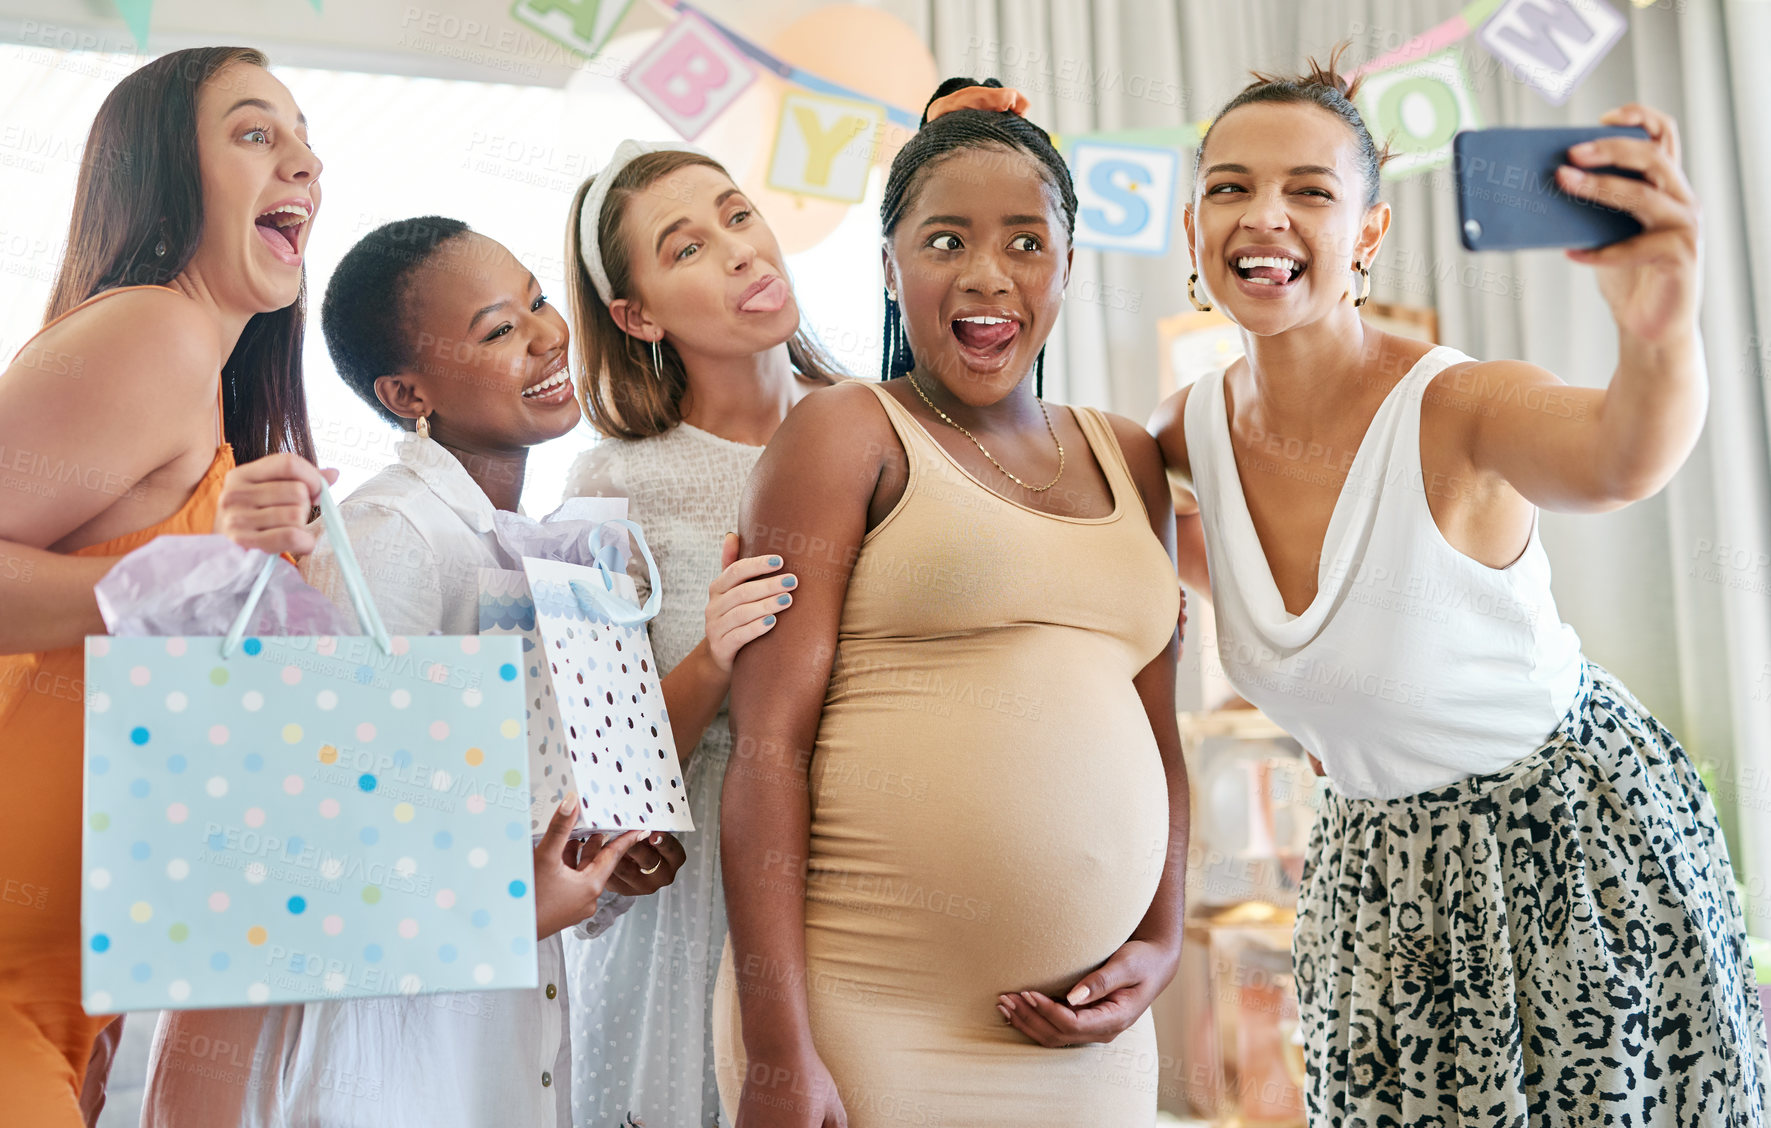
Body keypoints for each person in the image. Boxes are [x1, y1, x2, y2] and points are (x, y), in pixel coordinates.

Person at [1147, 49, 1767, 1126]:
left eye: (1309, 191)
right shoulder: (1184, 437)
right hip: (1373, 880)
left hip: (1568, 847)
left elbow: (1622, 458)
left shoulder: (1461, 406)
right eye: (1230, 186)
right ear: (1194, 223)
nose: (1263, 216)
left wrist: (1657, 328)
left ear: (1367, 237)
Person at [714, 79, 1190, 1127]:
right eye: (943, 242)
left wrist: (1161, 939)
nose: (987, 277)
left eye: (1027, 243)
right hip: (871, 1017)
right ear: (889, 268)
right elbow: (764, 749)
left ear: (1070, 264)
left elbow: (1160, 740)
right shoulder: (845, 433)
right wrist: (778, 1049)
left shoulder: (1134, 456)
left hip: (1087, 1037)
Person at [150, 217, 684, 1127]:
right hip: (388, 1064)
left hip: (501, 1037)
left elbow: (498, 818)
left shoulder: (533, 543)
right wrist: (523, 909)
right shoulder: (393, 537)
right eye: (498, 329)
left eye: (539, 301)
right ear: (407, 392)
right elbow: (306, 863)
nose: (548, 335)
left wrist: (594, 877)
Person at [0, 47, 320, 1125]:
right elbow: (130, 596)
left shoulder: (205, 389)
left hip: (62, 1004)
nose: (304, 163)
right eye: (253, 133)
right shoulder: (158, 330)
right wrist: (164, 586)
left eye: (303, 136)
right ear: (164, 179)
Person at [557, 139, 845, 1125]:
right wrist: (715, 658)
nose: (737, 251)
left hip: (870, 874)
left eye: (736, 215)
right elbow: (599, 782)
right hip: (694, 916)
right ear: (635, 316)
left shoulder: (881, 436)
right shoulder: (602, 489)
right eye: (685, 249)